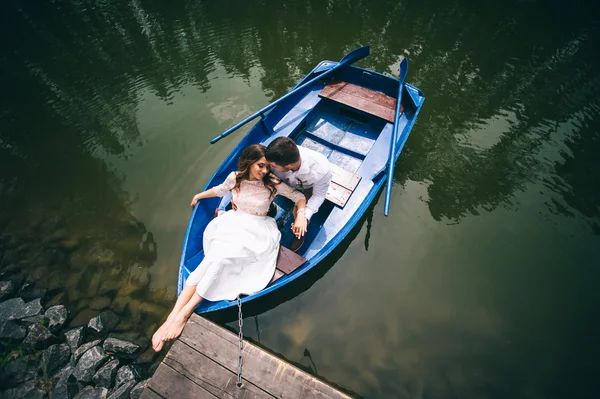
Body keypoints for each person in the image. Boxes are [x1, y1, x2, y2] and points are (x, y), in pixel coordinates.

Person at [151, 144, 306, 352]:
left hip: (258, 230)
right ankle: (172, 316)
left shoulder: (272, 183)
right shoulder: (235, 178)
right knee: (211, 259)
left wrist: (301, 215)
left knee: (222, 260)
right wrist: (199, 195)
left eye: (267, 167)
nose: (264, 171)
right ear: (249, 162)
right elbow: (220, 190)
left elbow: (298, 197)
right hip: (233, 224)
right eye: (260, 166)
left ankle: (185, 313)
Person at [265, 137, 332, 251]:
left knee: (301, 215)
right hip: (279, 183)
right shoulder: (274, 159)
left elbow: (318, 196)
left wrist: (304, 216)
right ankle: (269, 208)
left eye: (274, 166)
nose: (271, 167)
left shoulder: (321, 169)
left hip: (306, 188)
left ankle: (300, 232)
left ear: (289, 166)